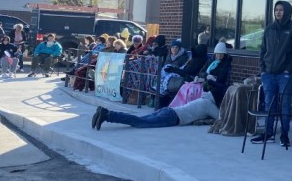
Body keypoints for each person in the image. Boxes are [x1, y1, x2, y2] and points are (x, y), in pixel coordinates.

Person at [92, 42, 233, 130]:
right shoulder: (209, 105)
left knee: (141, 120)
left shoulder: (203, 98)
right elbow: (222, 119)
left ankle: (106, 114)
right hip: (173, 117)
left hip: (171, 110)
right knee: (140, 122)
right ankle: (107, 115)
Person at [254, 0, 292, 147]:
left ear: (287, 11)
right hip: (268, 74)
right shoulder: (269, 29)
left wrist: (289, 70)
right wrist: (262, 70)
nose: (278, 12)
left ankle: (284, 134)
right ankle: (269, 133)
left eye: (281, 10)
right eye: (276, 10)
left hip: (284, 75)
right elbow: (263, 51)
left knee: (285, 106)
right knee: (269, 104)